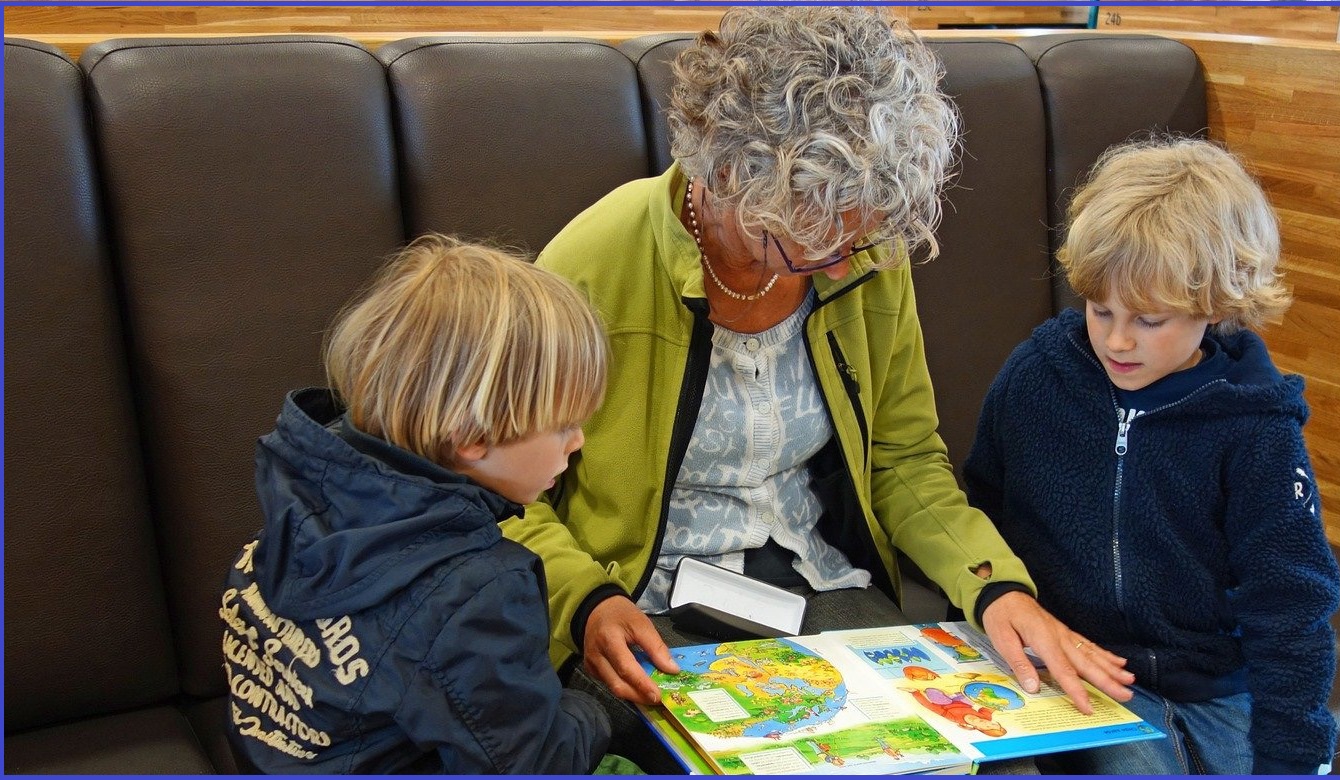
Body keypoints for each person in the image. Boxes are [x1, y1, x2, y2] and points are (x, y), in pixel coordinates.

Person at [498, 6, 1134, 770]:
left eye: (858, 233)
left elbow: (904, 460)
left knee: (966, 760)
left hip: (819, 585)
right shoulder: (594, 264)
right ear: (727, 173)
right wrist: (586, 601)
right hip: (643, 601)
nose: (842, 263)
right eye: (810, 236)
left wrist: (997, 589)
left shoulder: (863, 248)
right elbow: (500, 496)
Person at [963, 137, 1340, 775]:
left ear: (1217, 305)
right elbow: (981, 508)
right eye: (1100, 309)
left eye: (1149, 320)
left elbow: (1291, 603)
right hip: (1075, 665)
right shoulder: (1036, 377)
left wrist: (1297, 757)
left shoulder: (1256, 426)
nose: (1117, 340)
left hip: (1215, 687)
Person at [221, 235, 627, 774]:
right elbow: (534, 763)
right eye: (564, 426)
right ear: (471, 436)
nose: (578, 443)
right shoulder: (474, 595)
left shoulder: (310, 485)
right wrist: (600, 712)